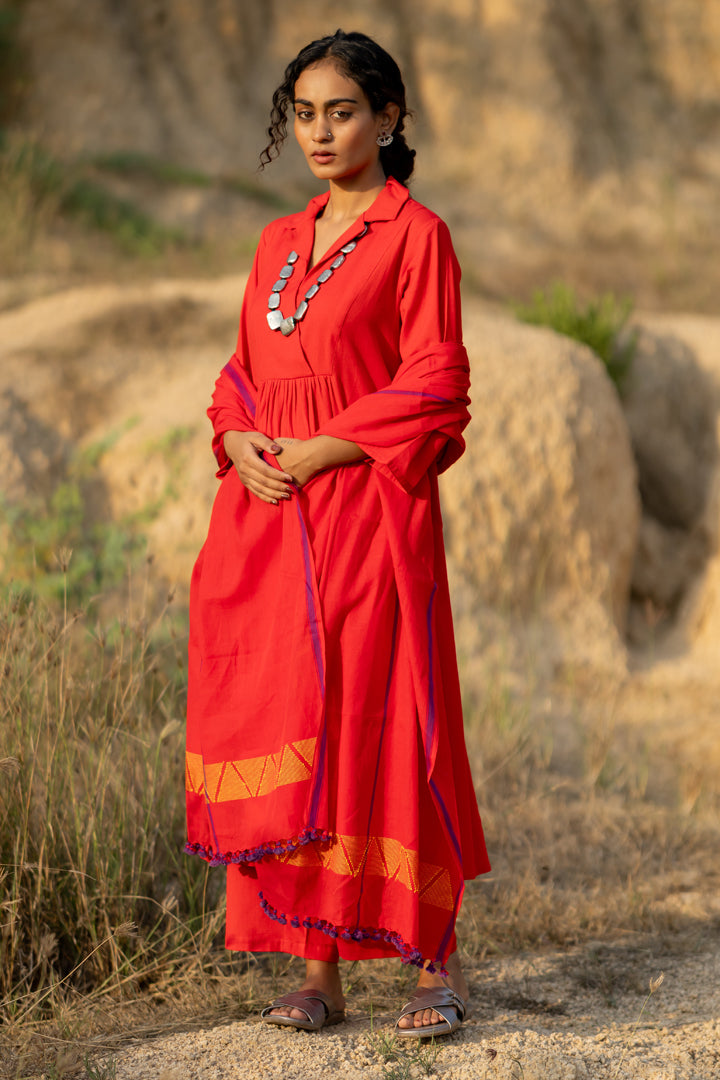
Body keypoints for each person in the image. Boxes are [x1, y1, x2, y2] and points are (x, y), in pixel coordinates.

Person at [185, 29, 490, 1038]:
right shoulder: (277, 241)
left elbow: (436, 380)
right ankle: (318, 975)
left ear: (390, 119)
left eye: (343, 112)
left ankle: (429, 968)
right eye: (304, 113)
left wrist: (325, 448)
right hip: (275, 521)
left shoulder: (417, 234)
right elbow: (241, 370)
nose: (321, 131)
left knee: (388, 717)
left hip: (369, 510)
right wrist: (238, 434)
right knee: (303, 724)